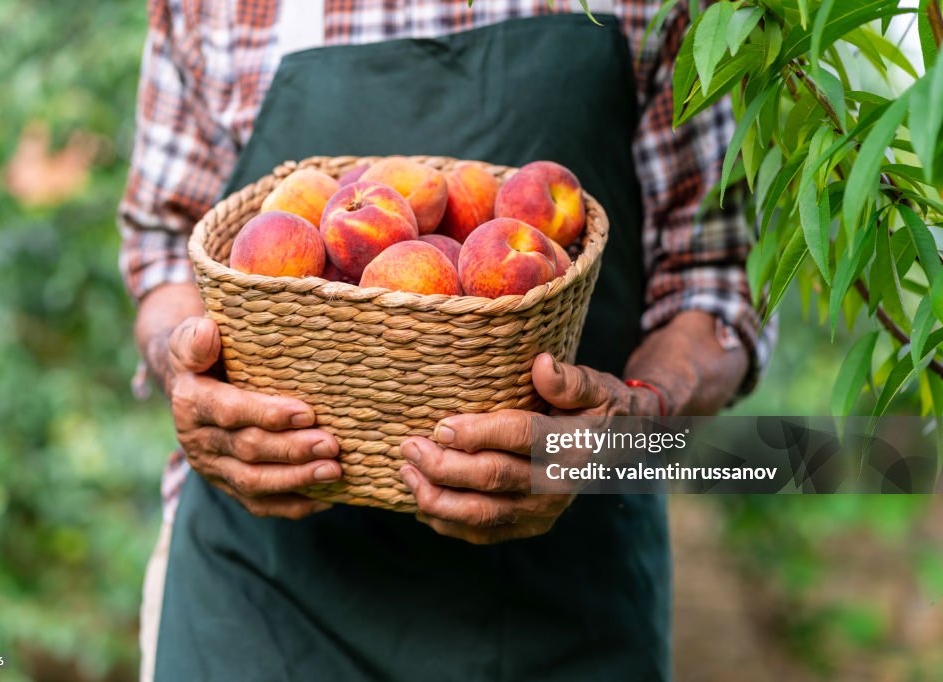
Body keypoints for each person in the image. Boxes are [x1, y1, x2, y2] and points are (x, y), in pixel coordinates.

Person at [119, 0, 771, 679]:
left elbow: (716, 279)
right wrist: (184, 365)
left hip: (568, 594)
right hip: (259, 592)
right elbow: (165, 250)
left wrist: (640, 424)